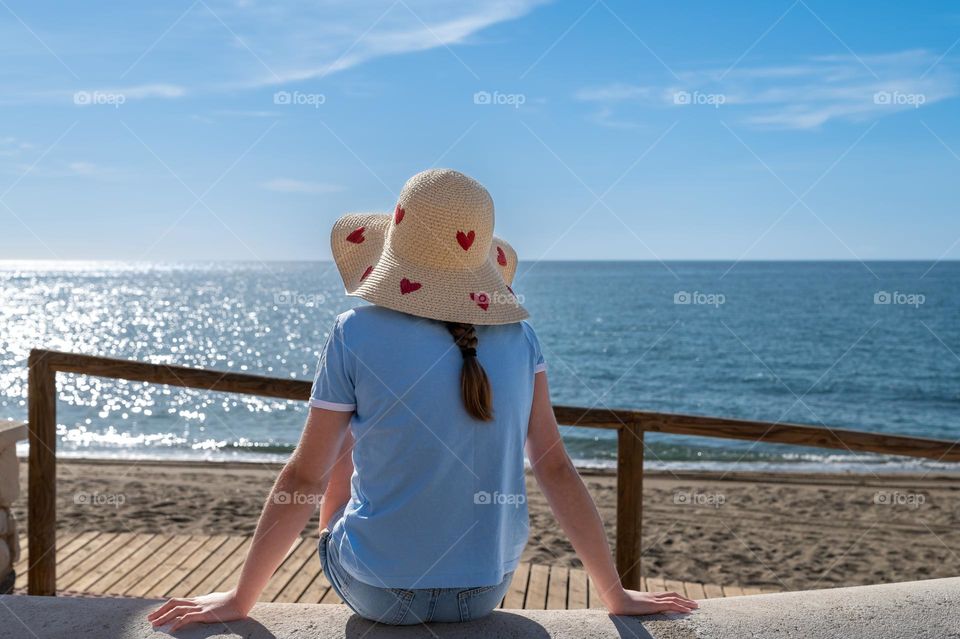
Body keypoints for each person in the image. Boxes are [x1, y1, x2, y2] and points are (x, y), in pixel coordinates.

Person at [148, 169, 698, 629]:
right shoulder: (521, 337)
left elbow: (303, 480)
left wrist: (241, 600)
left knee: (348, 437)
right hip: (485, 587)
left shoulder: (354, 331)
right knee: (373, 428)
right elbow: (553, 465)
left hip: (378, 590)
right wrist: (616, 593)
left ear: (395, 251)